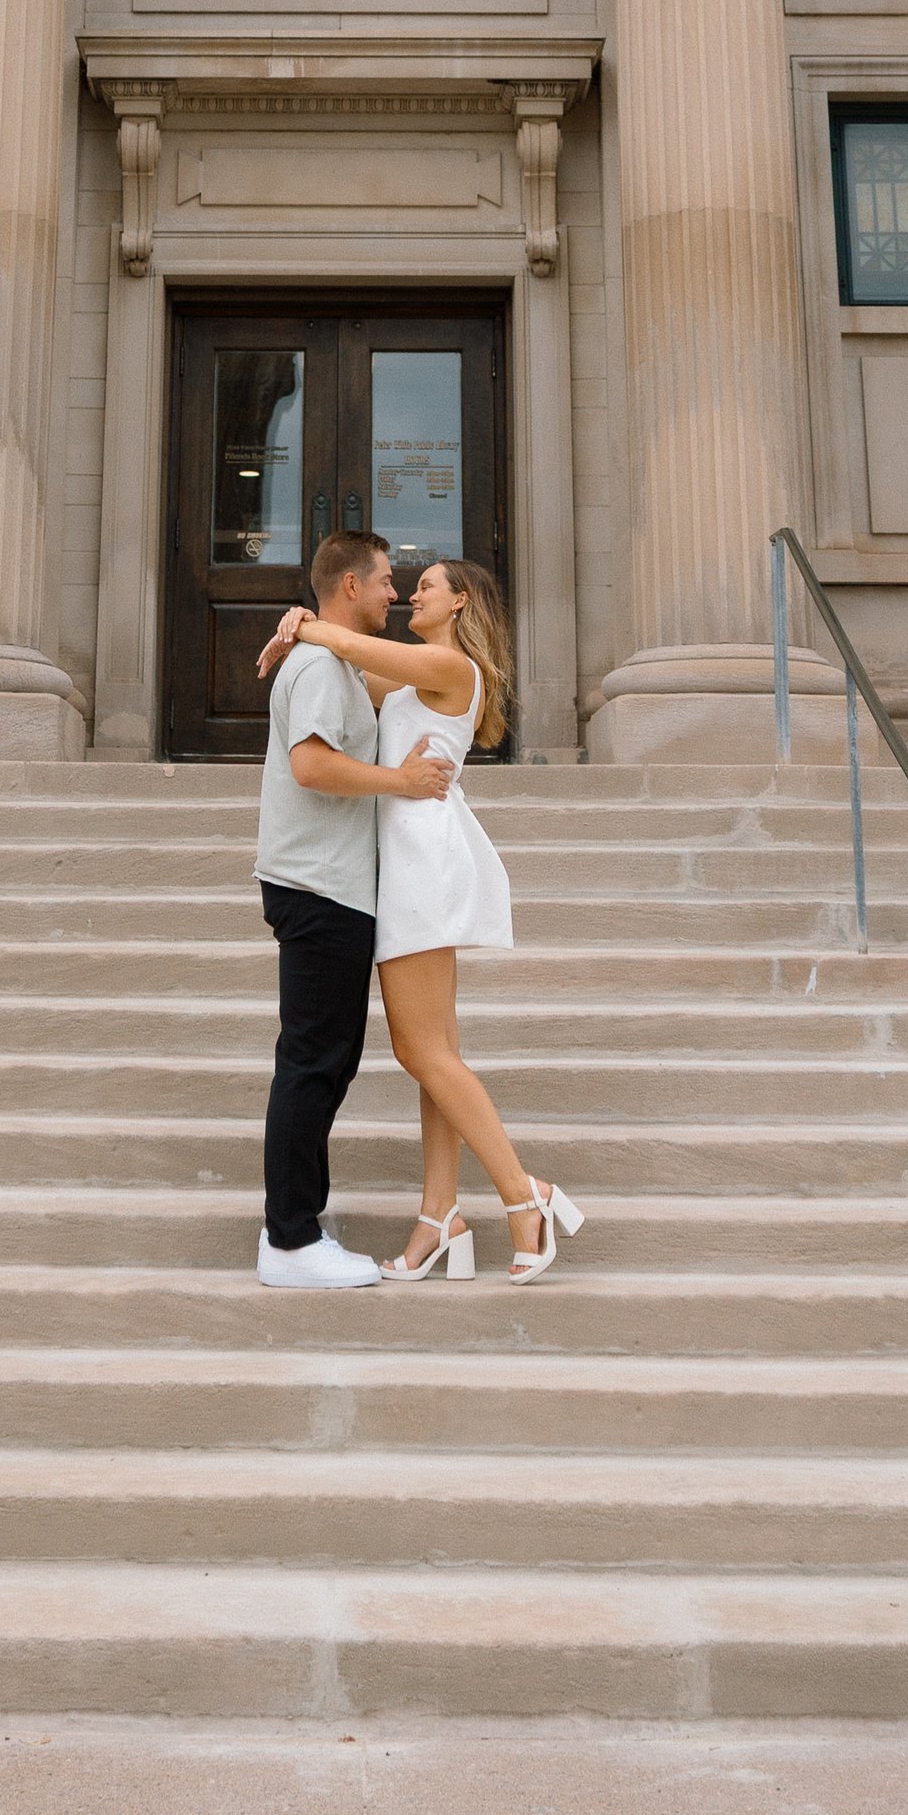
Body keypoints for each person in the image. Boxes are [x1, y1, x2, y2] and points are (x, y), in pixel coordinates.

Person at [264, 555, 586, 1283]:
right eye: (405, 585)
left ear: (460, 602)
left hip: (420, 862)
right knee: (436, 1052)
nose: (411, 593)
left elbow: (346, 644)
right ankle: (439, 1215)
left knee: (421, 1051)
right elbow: (349, 668)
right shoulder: (416, 676)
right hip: (406, 857)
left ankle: (524, 1195)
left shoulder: (450, 668)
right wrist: (306, 627)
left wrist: (304, 622)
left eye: (428, 586)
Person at [253, 529, 457, 1289]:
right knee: (313, 1062)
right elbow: (310, 765)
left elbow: (395, 689)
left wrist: (303, 624)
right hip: (316, 887)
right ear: (349, 585)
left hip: (335, 887)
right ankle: (290, 1241)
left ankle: (295, 1230)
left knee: (326, 1062)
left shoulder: (332, 660)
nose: (394, 593)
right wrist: (400, 782)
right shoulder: (316, 667)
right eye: (384, 580)